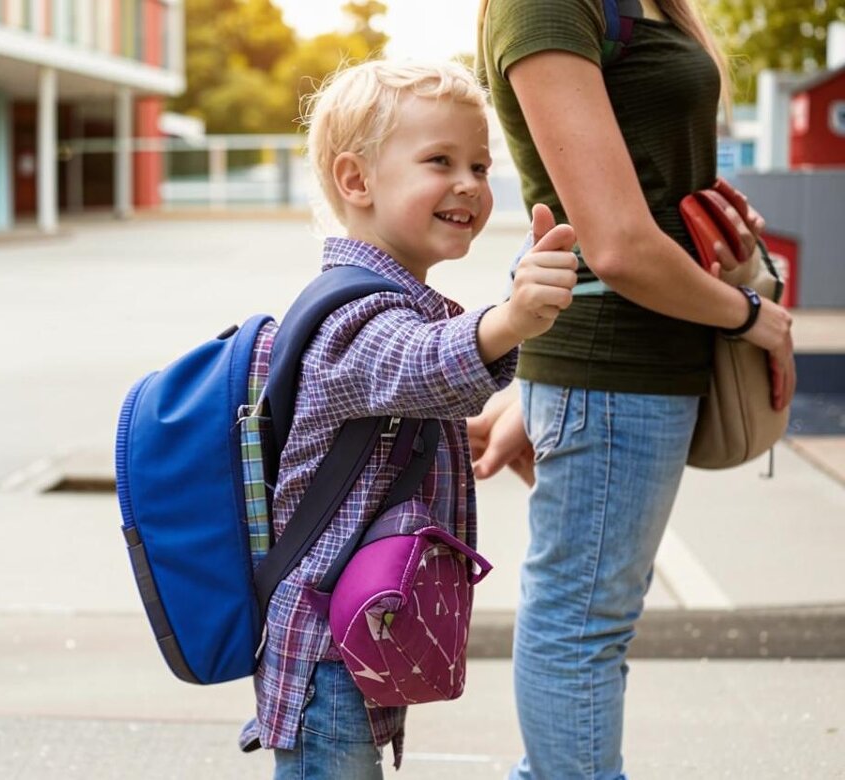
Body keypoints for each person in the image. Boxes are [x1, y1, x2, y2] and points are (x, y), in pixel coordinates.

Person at [472, 1, 796, 778]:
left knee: (590, 619)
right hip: (613, 363)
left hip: (635, 367)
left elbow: (622, 188)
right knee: (582, 623)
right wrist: (753, 317)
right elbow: (611, 242)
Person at [237, 58, 579, 779]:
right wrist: (512, 318)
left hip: (351, 643)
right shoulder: (353, 313)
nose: (469, 184)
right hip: (325, 655)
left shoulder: (380, 303)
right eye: (440, 160)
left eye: (481, 165)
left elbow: (395, 398)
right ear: (356, 180)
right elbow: (418, 362)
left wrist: (460, 433)